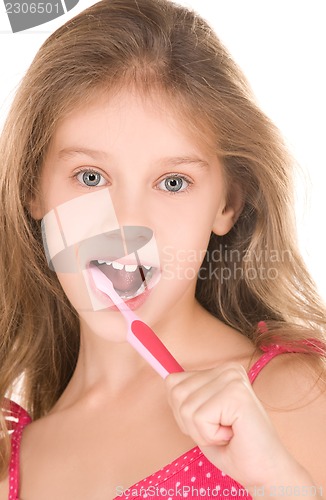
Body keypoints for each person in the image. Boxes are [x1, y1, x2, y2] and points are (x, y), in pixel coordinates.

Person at [0, 0, 325, 498]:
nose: (129, 227)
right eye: (91, 177)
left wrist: (276, 481)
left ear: (227, 205)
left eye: (173, 182)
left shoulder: (300, 396)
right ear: (32, 189)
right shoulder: (16, 462)